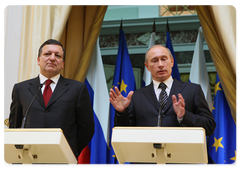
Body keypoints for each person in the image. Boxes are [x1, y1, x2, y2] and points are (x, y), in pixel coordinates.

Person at [9, 39, 94, 161]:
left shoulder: (77, 89)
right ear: (38, 60)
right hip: (28, 160)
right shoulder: (21, 89)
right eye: (47, 54)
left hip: (62, 160)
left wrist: (69, 151)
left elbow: (87, 128)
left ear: (63, 63)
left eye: (58, 55)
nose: (52, 58)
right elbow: (15, 126)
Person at [109, 45, 216, 136]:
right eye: (154, 61)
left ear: (172, 62)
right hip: (148, 158)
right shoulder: (137, 96)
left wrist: (184, 116)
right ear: (147, 67)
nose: (160, 65)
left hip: (181, 158)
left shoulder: (192, 90)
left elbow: (209, 126)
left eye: (164, 59)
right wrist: (122, 112)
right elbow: (124, 133)